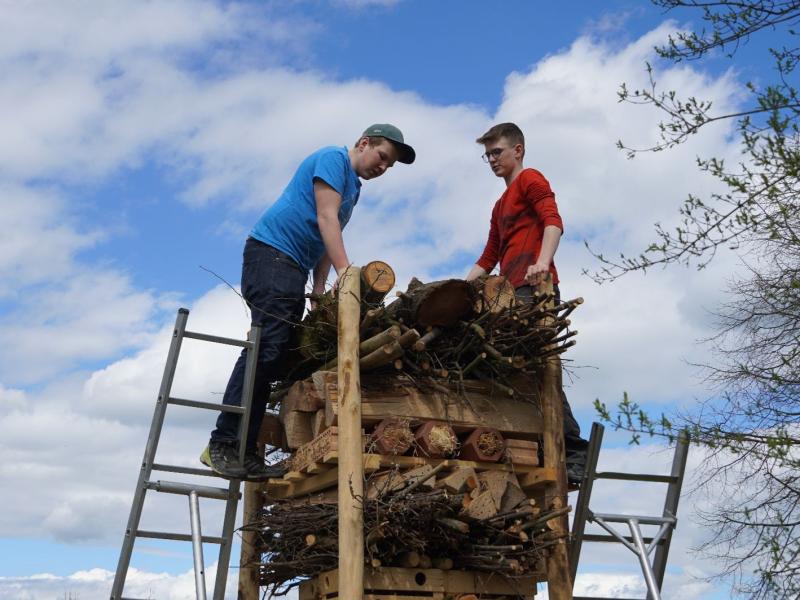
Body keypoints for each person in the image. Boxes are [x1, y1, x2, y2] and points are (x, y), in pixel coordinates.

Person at [201, 124, 416, 480]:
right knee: (266, 347)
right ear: (364, 143)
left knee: (276, 354)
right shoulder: (334, 159)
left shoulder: (354, 189)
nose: (383, 167)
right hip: (271, 255)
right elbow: (325, 217)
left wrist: (319, 288)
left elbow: (327, 236)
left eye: (389, 166)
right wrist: (348, 271)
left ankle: (243, 448)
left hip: (293, 266)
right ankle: (222, 443)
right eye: (382, 157)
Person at [465, 122, 588, 484]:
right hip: (506, 295)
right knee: (514, 369)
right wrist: (457, 291)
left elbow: (553, 222)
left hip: (534, 290)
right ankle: (527, 441)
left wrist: (542, 263)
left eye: (497, 152)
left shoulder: (531, 179)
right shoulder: (499, 204)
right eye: (487, 154)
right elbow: (488, 257)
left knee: (542, 369)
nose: (491, 160)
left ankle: (573, 448)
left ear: (517, 150)